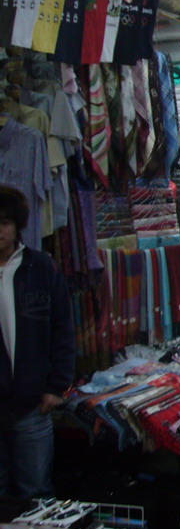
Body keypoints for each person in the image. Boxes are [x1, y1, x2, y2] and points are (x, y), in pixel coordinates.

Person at [0, 186, 75, 498]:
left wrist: (56, 386)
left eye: (3, 223)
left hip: (32, 402)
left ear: (17, 226)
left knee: (36, 493)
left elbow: (62, 328)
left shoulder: (40, 268)